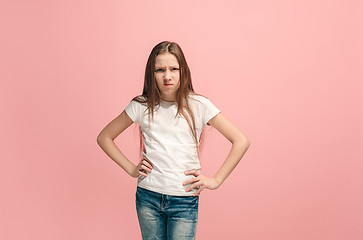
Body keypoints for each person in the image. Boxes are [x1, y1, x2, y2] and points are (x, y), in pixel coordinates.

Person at [96, 41, 250, 240]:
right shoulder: (141, 105)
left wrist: (216, 180)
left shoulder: (199, 105)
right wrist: (131, 169)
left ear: (183, 71)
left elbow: (241, 140)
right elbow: (104, 137)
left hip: (185, 201)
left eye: (173, 69)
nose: (167, 76)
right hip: (148, 197)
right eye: (160, 69)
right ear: (151, 74)